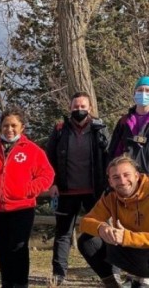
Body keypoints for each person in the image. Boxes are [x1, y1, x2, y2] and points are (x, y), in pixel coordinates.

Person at [0, 105, 55, 288]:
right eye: (5, 126)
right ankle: (7, 282)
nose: (9, 129)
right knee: (2, 249)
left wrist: (29, 189)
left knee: (18, 248)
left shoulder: (32, 150)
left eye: (13, 125)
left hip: (22, 208)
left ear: (21, 127)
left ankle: (20, 283)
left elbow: (47, 175)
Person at [46, 91, 110, 285]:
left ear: (90, 108)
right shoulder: (59, 130)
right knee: (63, 233)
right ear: (70, 108)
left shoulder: (100, 129)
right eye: (76, 107)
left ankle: (108, 271)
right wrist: (53, 183)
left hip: (94, 191)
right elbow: (49, 159)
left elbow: (110, 157)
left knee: (102, 231)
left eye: (83, 107)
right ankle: (59, 273)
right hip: (66, 191)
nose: (79, 110)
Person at [78, 155, 149, 288]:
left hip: (144, 250)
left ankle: (144, 279)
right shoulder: (110, 197)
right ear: (110, 182)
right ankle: (113, 285)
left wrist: (126, 237)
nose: (122, 181)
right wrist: (102, 228)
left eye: (126, 175)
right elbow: (85, 221)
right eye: (116, 177)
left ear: (137, 176)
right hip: (129, 251)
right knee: (88, 240)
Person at [108, 76, 149, 173]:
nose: (144, 93)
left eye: (147, 90)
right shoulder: (124, 121)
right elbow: (114, 151)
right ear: (135, 94)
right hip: (127, 178)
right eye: (140, 90)